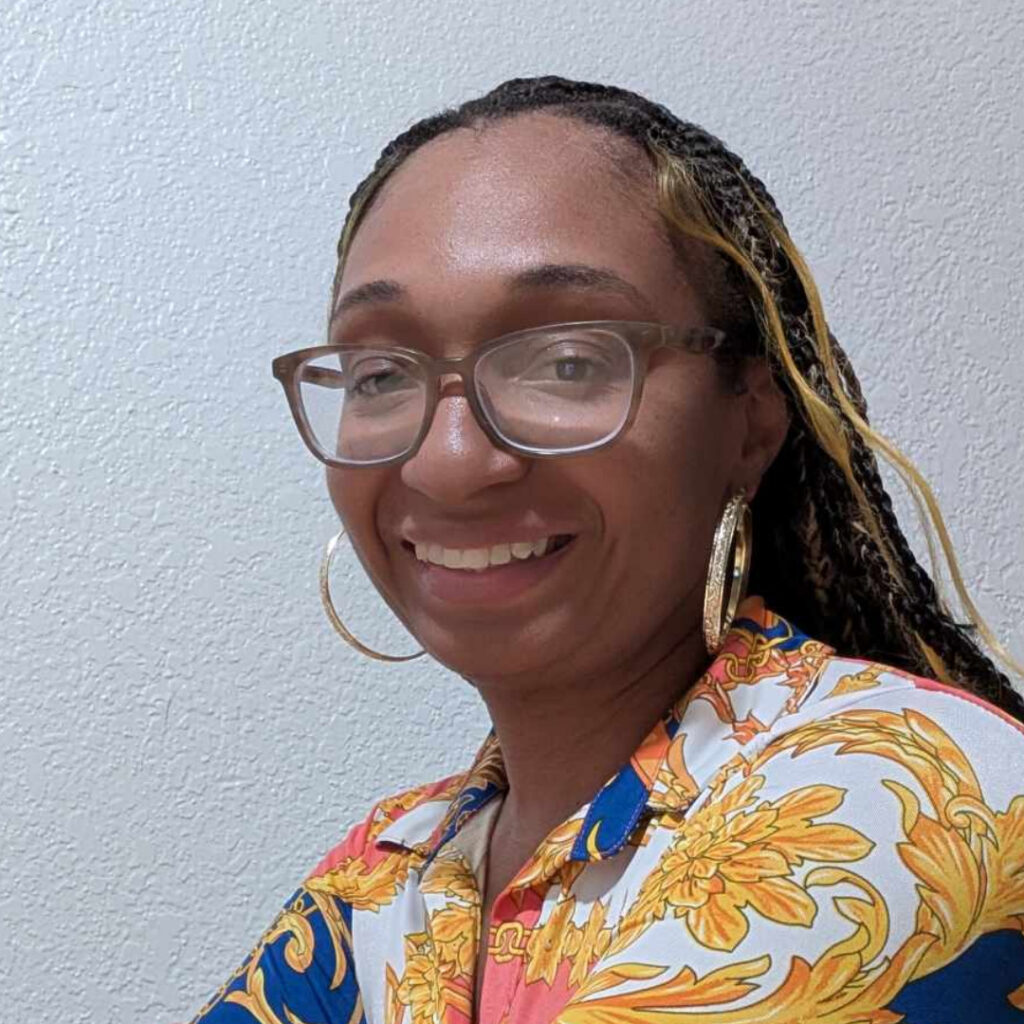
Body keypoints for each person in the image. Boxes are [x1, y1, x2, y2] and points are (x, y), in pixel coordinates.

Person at [187, 76, 1024, 1024]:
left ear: (749, 419)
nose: (451, 463)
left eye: (567, 361)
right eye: (381, 372)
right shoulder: (389, 875)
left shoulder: (902, 795)